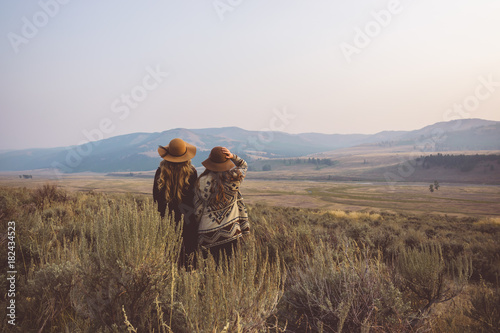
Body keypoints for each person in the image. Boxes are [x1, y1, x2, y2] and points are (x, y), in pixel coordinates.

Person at [194, 146, 250, 262]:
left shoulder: (201, 181)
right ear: (226, 162)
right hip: (232, 234)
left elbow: (198, 210)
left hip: (207, 235)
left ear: (210, 161)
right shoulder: (234, 178)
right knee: (230, 272)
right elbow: (244, 166)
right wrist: (233, 156)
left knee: (208, 272)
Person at [153, 138, 198, 265]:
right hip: (188, 221)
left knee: (168, 259)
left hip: (165, 220)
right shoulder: (192, 172)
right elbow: (195, 199)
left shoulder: (160, 172)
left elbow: (156, 199)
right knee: (188, 261)